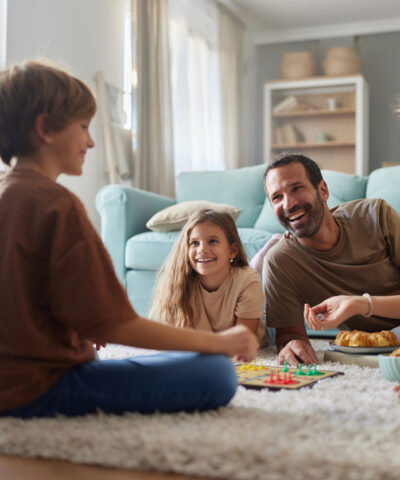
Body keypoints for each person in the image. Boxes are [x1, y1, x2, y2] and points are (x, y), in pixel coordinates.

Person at [0, 60, 259, 419]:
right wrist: (220, 342)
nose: (90, 140)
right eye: (83, 126)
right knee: (215, 372)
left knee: (178, 357)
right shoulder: (55, 204)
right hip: (36, 389)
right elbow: (115, 325)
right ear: (45, 127)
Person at [262, 153, 400, 366]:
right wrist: (293, 344)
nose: (288, 204)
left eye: (297, 188)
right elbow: (289, 334)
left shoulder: (376, 216)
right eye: (277, 197)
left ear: (323, 191)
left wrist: (361, 304)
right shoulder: (280, 262)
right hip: (361, 349)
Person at [151, 209, 266, 342]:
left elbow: (241, 343)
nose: (202, 250)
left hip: (257, 331)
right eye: (194, 243)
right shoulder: (179, 282)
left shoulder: (247, 280)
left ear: (233, 250)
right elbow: (176, 342)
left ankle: (263, 256)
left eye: (212, 241)